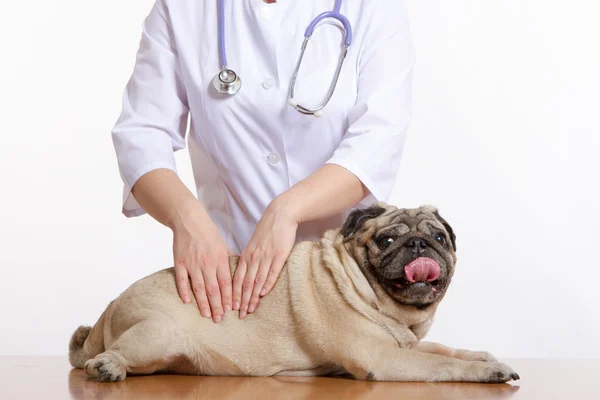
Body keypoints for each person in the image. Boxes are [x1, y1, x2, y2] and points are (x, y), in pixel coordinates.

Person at [111, 0, 415, 324]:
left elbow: (376, 142)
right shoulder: (181, 9)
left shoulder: (373, 7)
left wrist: (287, 211)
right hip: (229, 287)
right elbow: (141, 134)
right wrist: (186, 218)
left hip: (349, 286)